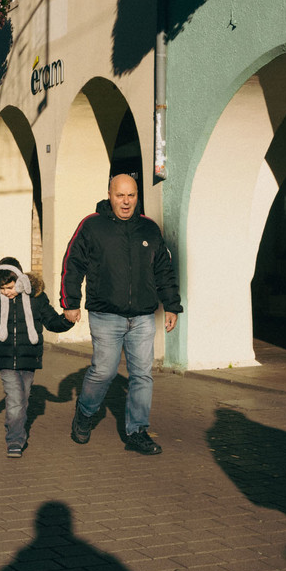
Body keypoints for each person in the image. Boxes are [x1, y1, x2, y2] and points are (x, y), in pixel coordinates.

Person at [59, 173, 182, 456]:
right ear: (110, 195)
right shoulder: (92, 226)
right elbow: (72, 263)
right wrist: (70, 301)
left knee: (142, 375)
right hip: (106, 315)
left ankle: (137, 431)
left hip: (142, 317)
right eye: (120, 195)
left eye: (131, 195)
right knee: (104, 372)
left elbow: (163, 268)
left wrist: (172, 305)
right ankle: (85, 413)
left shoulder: (149, 229)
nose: (126, 202)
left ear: (137, 196)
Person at [0, 257, 74, 457]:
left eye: (10, 287)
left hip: (29, 358)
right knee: (14, 400)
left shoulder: (36, 299)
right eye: (2, 288)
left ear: (20, 281)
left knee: (23, 399)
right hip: (5, 359)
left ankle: (16, 427)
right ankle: (14, 440)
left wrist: (67, 321)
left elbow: (51, 321)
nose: (7, 292)